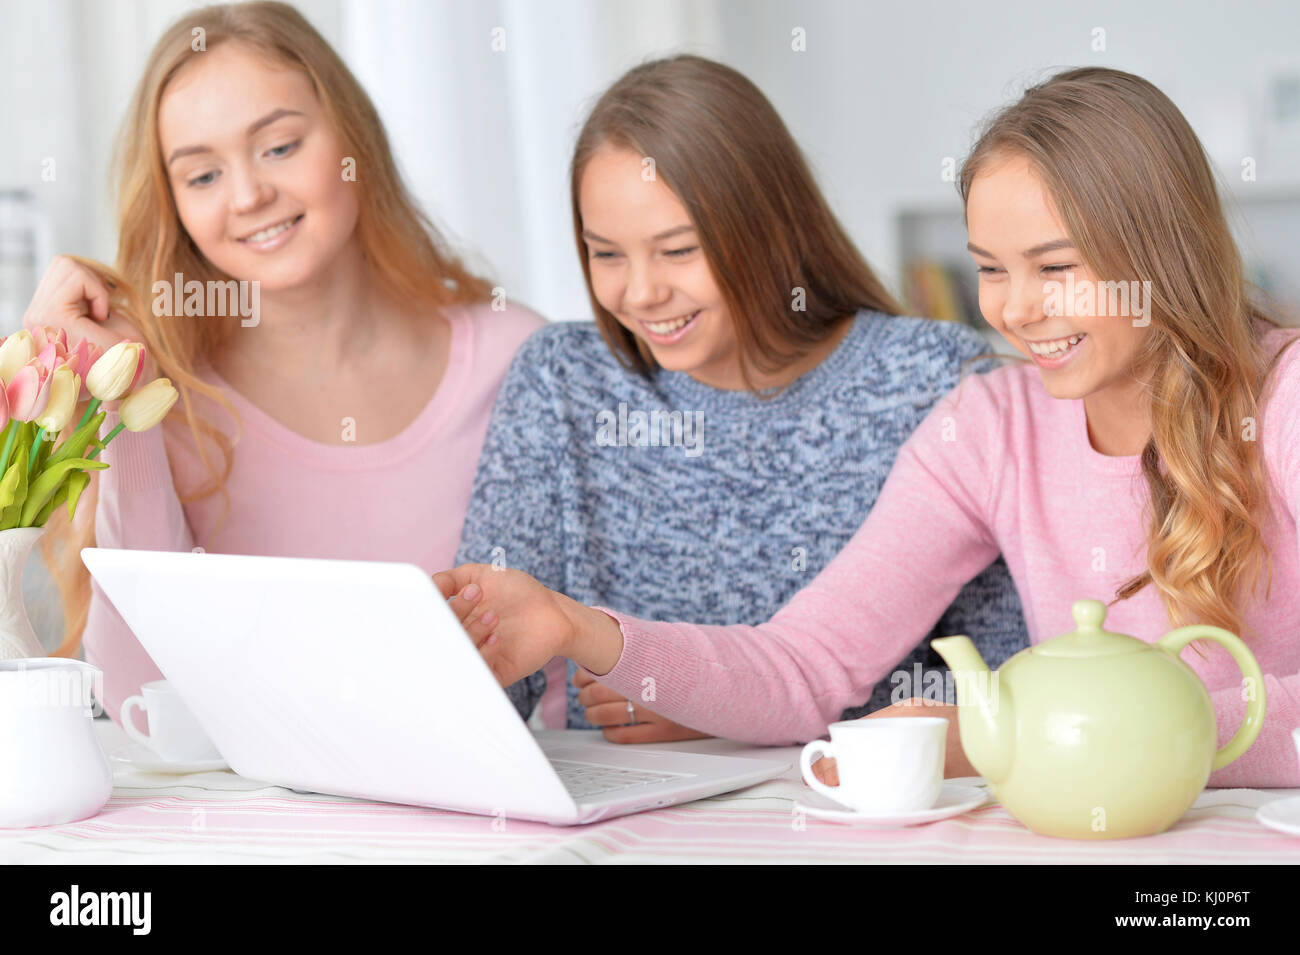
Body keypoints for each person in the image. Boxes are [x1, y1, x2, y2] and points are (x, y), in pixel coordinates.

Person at [437, 66, 1300, 787]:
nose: (1017, 309)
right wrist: (578, 627)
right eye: (991, 269)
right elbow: (806, 665)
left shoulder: (1285, 397)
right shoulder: (991, 424)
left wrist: (1015, 735)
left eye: (1056, 266)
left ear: (1160, 251)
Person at [453, 54, 1027, 742]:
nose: (640, 293)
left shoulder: (934, 379)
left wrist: (710, 700)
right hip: (623, 828)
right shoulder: (561, 379)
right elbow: (490, 675)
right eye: (606, 253)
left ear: (769, 227)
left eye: (678, 250)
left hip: (853, 817)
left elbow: (999, 686)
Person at [22, 1, 543, 725]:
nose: (248, 195)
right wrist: (126, 405)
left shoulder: (518, 360)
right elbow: (140, 704)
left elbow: (579, 666)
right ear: (173, 206)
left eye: (280, 146)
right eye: (202, 176)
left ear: (351, 139)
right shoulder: (169, 404)